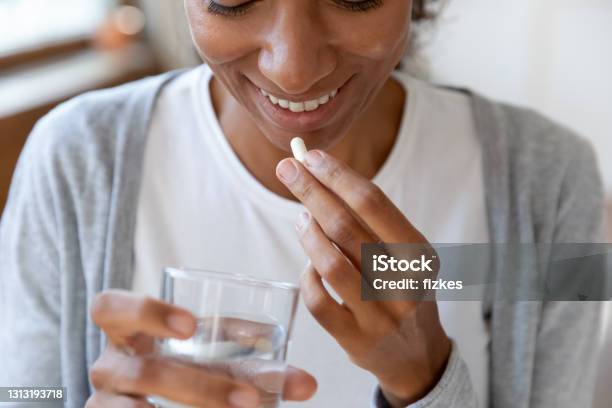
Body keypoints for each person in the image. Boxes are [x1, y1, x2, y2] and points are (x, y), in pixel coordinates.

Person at [0, 1, 605, 407]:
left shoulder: (551, 184)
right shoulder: (74, 158)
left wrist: (425, 382)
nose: (291, 69)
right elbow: (21, 395)